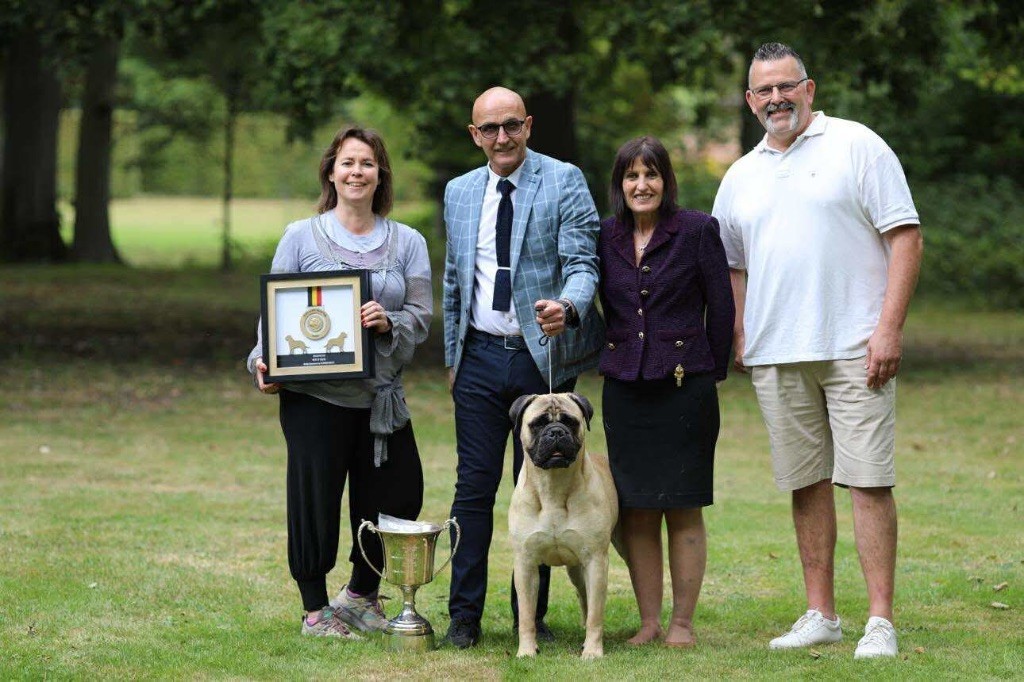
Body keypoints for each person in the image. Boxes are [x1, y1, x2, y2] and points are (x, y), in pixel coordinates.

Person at [711, 42, 924, 659]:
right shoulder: (740, 175)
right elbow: (734, 267)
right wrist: (743, 331)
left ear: (810, 88)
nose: (776, 99)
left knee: (867, 481)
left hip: (857, 346)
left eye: (787, 86)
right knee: (805, 482)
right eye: (764, 91)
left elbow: (905, 238)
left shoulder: (858, 145)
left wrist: (889, 328)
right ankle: (821, 612)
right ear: (751, 102)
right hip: (779, 352)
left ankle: (879, 620)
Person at [247, 126, 432, 638]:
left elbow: (421, 313)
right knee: (315, 501)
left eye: (367, 163)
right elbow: (274, 316)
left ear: (380, 175)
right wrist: (263, 363)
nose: (357, 172)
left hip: (381, 401)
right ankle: (313, 611)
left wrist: (389, 321)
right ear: (331, 171)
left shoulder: (408, 242)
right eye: (348, 162)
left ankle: (360, 596)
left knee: (399, 495)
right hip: (315, 399)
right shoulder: (300, 237)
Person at [441, 86, 604, 648]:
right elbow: (454, 283)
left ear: (529, 126)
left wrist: (570, 305)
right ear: (475, 135)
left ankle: (525, 622)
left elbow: (583, 262)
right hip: (480, 357)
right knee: (474, 488)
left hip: (545, 358)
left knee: (547, 484)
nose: (502, 138)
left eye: (511, 125)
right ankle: (463, 617)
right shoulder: (459, 193)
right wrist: (452, 360)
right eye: (489, 129)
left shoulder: (564, 180)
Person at [597, 136, 733, 648]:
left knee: (682, 507)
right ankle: (649, 622)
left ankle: (682, 624)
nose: (641, 184)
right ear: (620, 185)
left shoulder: (697, 230)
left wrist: (708, 371)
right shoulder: (604, 235)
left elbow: (721, 308)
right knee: (636, 509)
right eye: (631, 176)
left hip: (685, 388)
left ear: (666, 181)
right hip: (624, 389)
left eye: (651, 174)